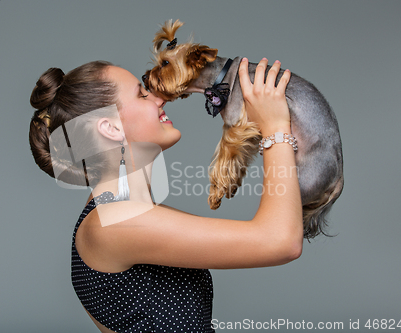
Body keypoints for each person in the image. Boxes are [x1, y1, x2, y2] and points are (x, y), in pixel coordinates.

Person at [28, 58, 303, 333]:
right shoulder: (113, 222)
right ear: (111, 128)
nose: (159, 97)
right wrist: (275, 127)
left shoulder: (120, 214)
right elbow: (280, 240)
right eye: (141, 93)